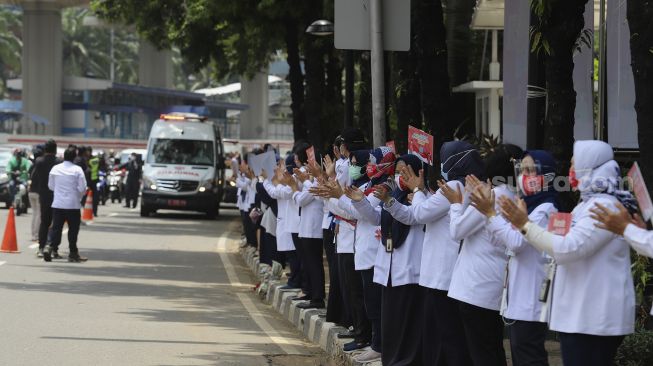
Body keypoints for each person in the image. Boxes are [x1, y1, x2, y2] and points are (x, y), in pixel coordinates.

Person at [499, 140, 636, 366]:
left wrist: (524, 224)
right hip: (581, 314)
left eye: (575, 164)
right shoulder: (587, 204)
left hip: (594, 317)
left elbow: (568, 248)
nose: (571, 171)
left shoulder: (604, 206)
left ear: (590, 166)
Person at [386, 141, 479, 366]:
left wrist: (417, 190)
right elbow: (419, 213)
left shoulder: (455, 187)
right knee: (444, 335)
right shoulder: (459, 186)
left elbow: (418, 214)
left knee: (447, 336)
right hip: (442, 272)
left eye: (445, 158)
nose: (442, 164)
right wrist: (394, 200)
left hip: (442, 274)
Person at [470, 150, 559, 366]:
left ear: (546, 176)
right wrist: (491, 216)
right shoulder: (527, 205)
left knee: (529, 355)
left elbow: (516, 242)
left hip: (532, 296)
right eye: (522, 170)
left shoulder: (545, 209)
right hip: (519, 296)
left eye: (531, 170)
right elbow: (501, 241)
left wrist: (491, 215)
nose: (524, 175)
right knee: (520, 353)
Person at [439, 144, 523, 366]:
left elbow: (457, 231)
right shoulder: (517, 198)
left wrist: (457, 203)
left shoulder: (491, 197)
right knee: (492, 349)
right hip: (495, 283)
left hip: (475, 287)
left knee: (482, 353)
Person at [352, 154, 425, 366]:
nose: (400, 176)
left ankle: (406, 360)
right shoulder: (393, 194)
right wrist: (361, 202)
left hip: (408, 268)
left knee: (406, 322)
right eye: (398, 172)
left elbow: (409, 216)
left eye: (405, 172)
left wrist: (390, 200)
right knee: (390, 320)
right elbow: (377, 218)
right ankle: (390, 358)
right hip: (389, 268)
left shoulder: (420, 197)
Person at [291, 145, 326, 310]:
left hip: (314, 229)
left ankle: (317, 297)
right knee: (308, 263)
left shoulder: (316, 182)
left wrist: (299, 184)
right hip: (306, 227)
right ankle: (312, 294)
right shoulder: (311, 182)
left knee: (314, 264)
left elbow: (301, 199)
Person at [43, 146, 88, 263]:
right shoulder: (77, 170)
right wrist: (78, 196)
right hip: (73, 205)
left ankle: (49, 247)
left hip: (58, 204)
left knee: (56, 228)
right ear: (74, 157)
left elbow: (50, 186)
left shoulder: (55, 169)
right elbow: (83, 187)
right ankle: (73, 253)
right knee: (73, 229)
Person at [31, 140, 60, 257]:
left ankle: (41, 247)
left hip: (43, 195)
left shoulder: (39, 161)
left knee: (44, 222)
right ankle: (53, 248)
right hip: (56, 195)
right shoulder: (59, 162)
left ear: (45, 149)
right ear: (55, 149)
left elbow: (34, 175)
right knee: (56, 223)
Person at [28, 144, 44, 242]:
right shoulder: (41, 165)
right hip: (38, 192)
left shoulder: (32, 166)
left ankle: (33, 234)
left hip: (31, 192)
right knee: (39, 213)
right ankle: (36, 235)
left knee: (34, 214)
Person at [88, 150, 100, 216]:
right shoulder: (97, 160)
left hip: (90, 181)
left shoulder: (88, 161)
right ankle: (94, 212)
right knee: (95, 197)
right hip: (95, 180)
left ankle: (91, 212)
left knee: (88, 197)